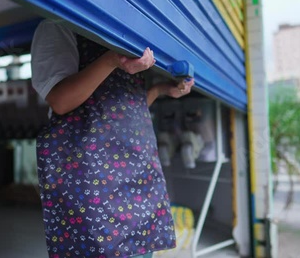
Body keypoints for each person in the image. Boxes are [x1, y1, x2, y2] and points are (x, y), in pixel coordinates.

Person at [31, 19, 195, 258]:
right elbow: (61, 101)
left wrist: (160, 90)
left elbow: (120, 111)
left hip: (138, 175)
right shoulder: (57, 22)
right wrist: (111, 60)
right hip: (95, 182)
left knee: (140, 252)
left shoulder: (127, 28)